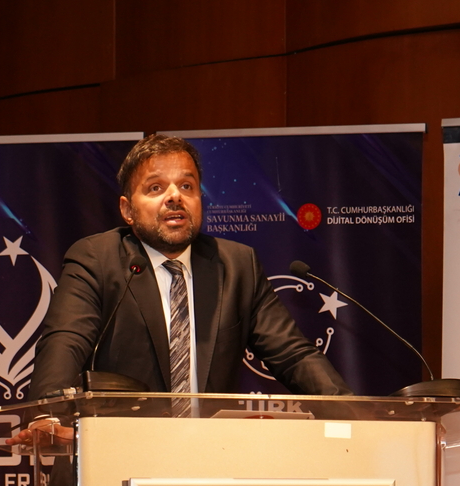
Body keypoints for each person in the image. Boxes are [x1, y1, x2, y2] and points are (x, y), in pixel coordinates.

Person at [28, 133, 351, 405]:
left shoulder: (237, 265)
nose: (175, 197)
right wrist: (46, 413)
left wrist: (352, 412)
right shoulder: (97, 259)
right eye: (156, 188)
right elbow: (65, 340)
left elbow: (293, 354)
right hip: (119, 442)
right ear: (128, 210)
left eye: (186, 186)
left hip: (206, 449)